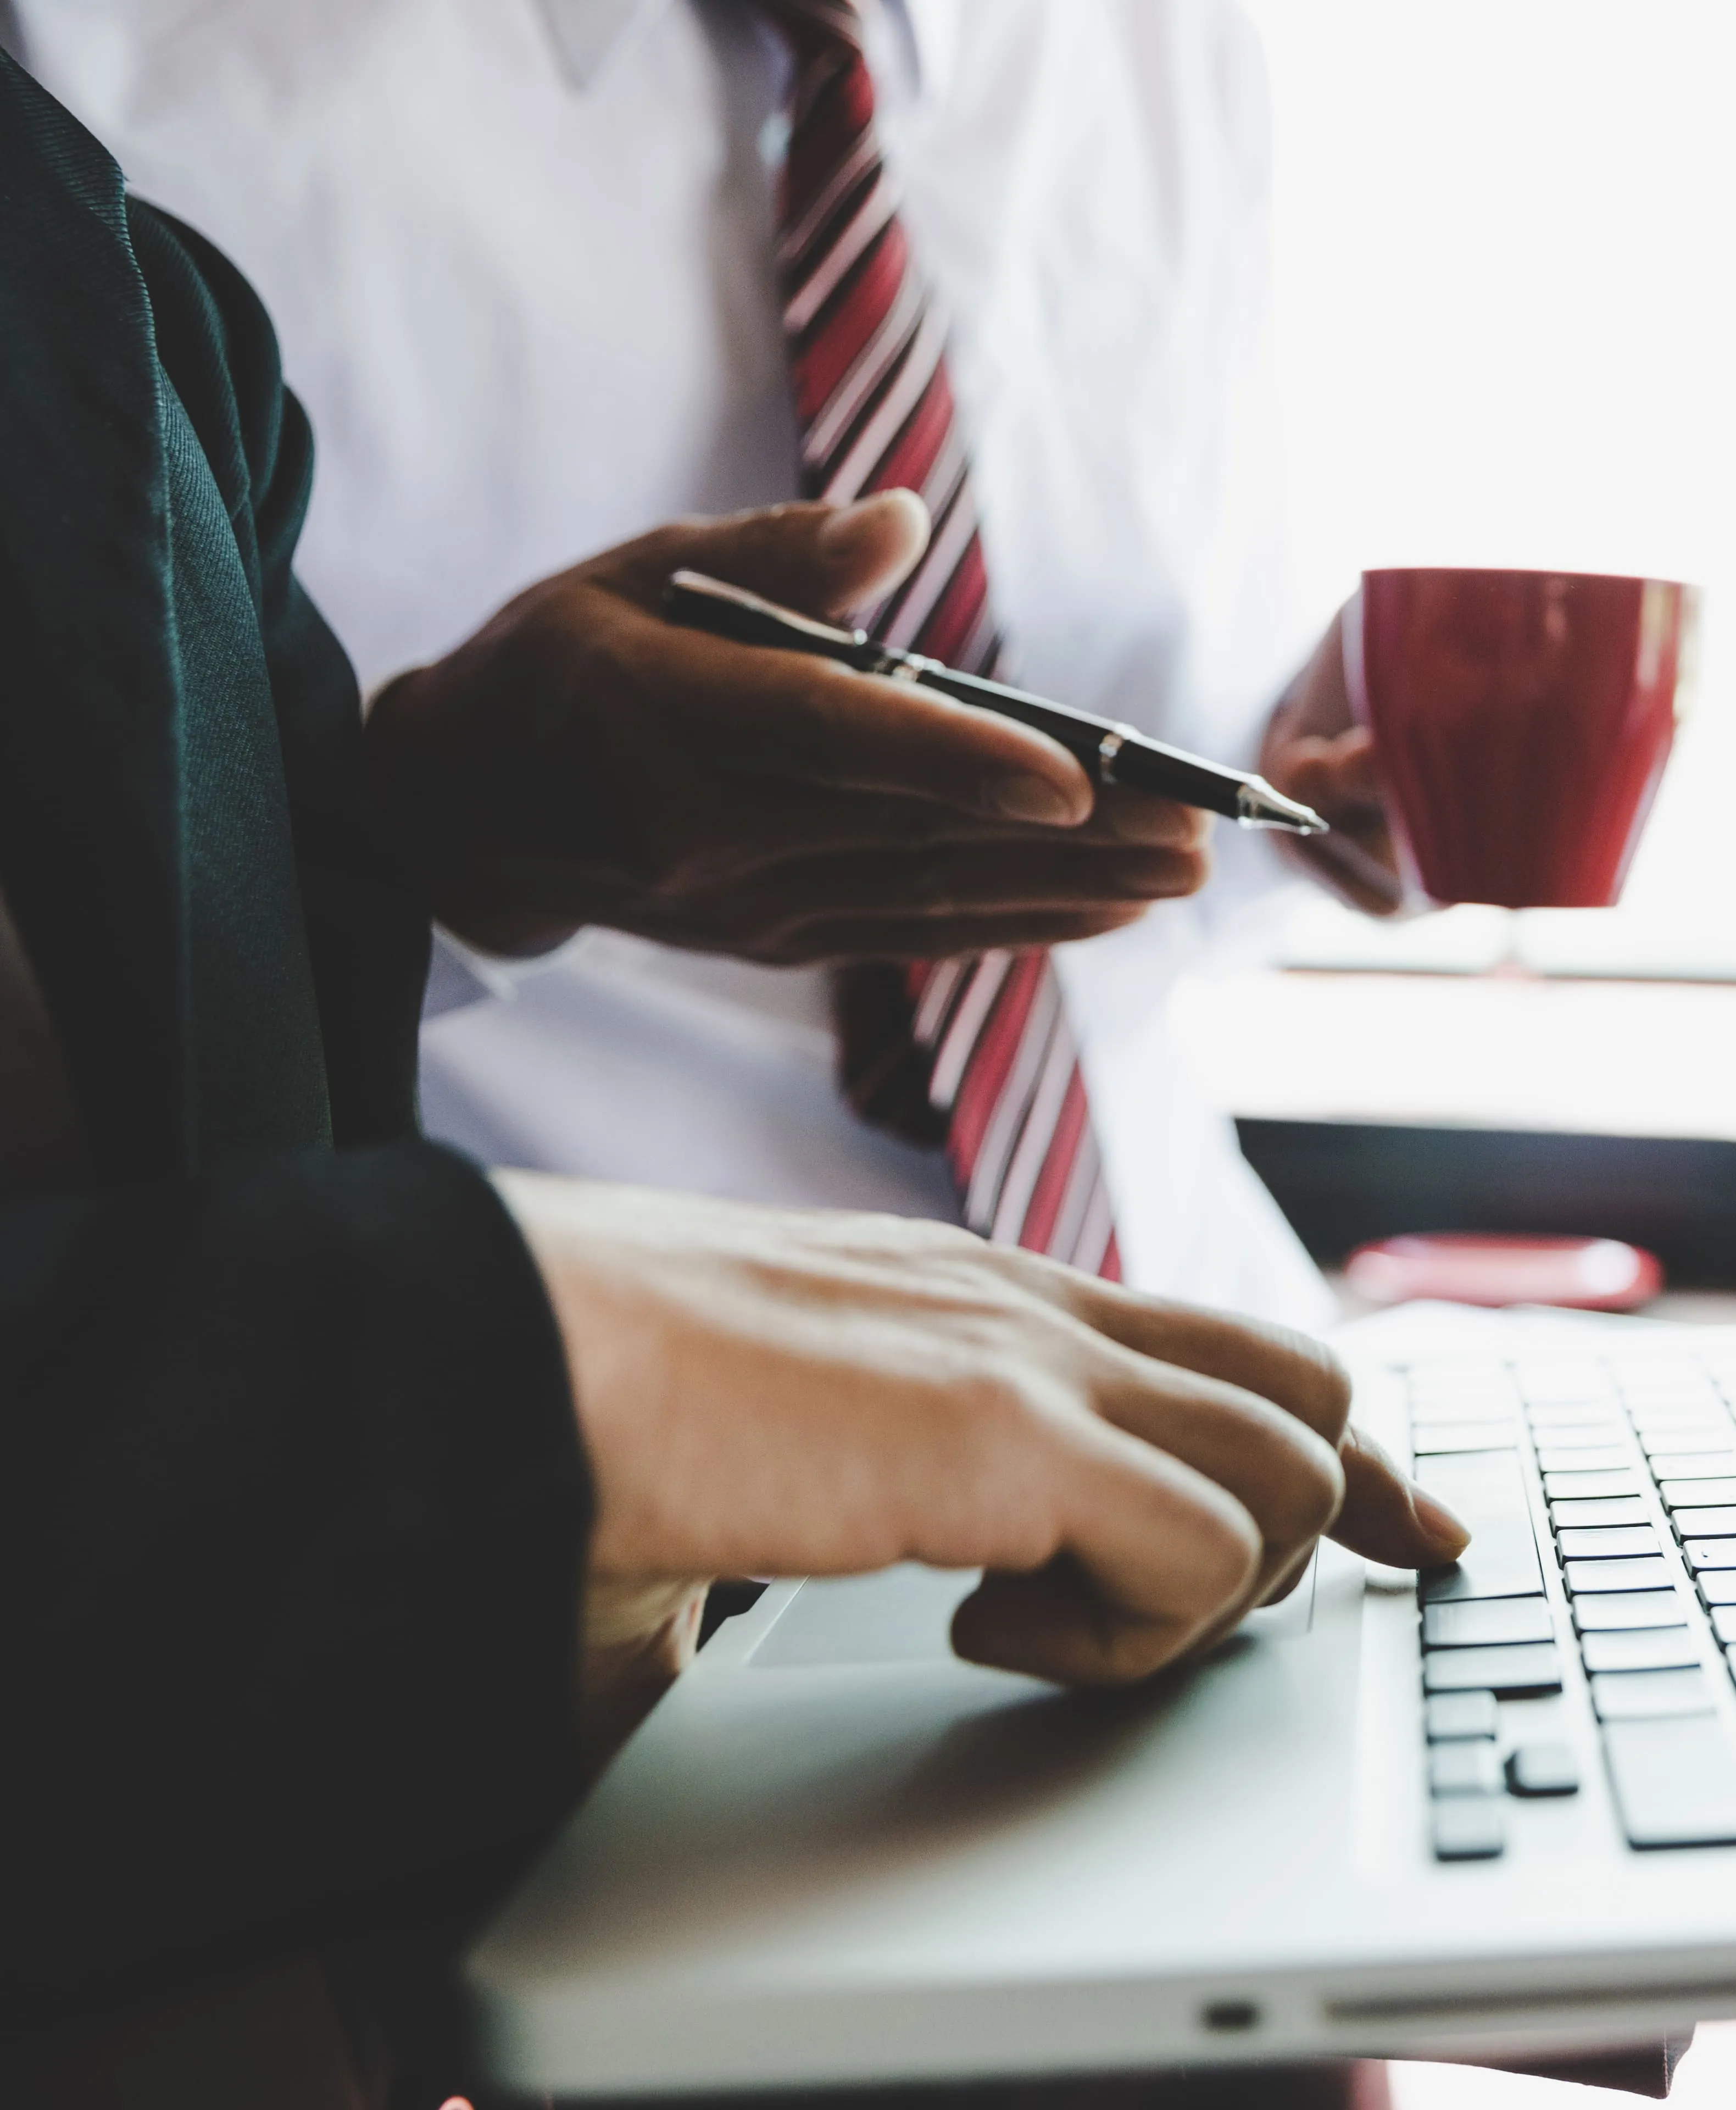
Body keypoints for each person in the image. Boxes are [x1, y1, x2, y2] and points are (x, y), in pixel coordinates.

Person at [0, 45, 1469, 2101]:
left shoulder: (1191, 68)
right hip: (597, 1612)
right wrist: (546, 1334)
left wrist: (1305, 804)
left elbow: (184, 926)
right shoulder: (127, 77)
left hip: (1145, 1381)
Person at [1, 0, 1401, 1335]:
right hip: (597, 1473)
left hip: (1208, 1336)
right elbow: (119, 1027)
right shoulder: (94, 95)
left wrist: (1305, 805)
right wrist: (445, 844)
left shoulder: (1166, 52)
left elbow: (1150, 915)